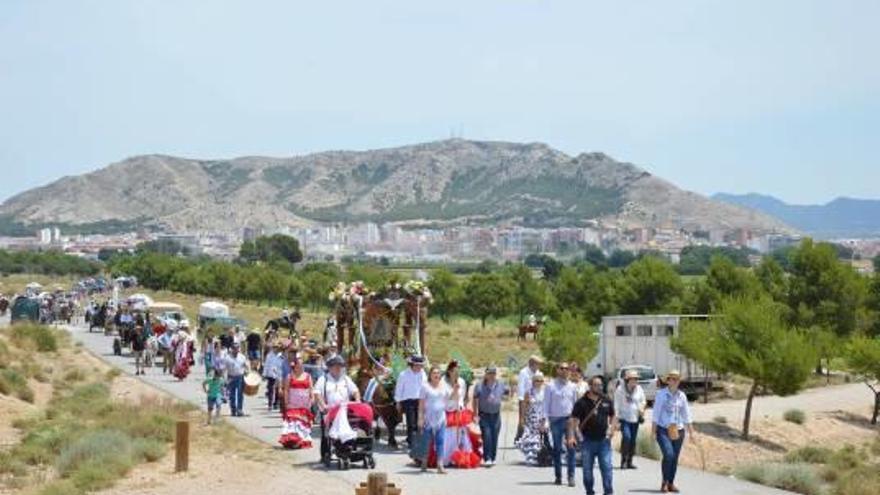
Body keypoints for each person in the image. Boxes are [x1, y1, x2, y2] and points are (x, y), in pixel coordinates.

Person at [569, 376, 616, 495]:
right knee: (587, 472)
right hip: (587, 442)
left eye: (600, 385)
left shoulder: (606, 400)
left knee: (607, 468)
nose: (599, 387)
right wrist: (572, 436)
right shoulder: (581, 402)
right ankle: (589, 491)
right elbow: (573, 420)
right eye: (596, 385)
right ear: (590, 386)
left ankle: (608, 492)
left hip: (603, 442)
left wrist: (612, 429)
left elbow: (614, 416)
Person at [652, 370, 695, 494]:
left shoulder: (682, 396)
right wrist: (653, 431)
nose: (674, 381)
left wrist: (691, 432)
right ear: (668, 381)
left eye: (677, 379)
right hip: (663, 429)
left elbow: (687, 415)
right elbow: (656, 414)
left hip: (678, 430)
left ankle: (671, 483)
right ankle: (664, 482)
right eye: (672, 379)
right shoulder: (661, 394)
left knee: (674, 458)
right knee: (669, 455)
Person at [314, 355, 360, 460]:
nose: (338, 368)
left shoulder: (346, 379)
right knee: (325, 434)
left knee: (350, 428)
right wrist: (323, 405)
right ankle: (325, 454)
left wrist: (357, 400)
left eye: (340, 366)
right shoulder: (323, 379)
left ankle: (347, 448)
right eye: (336, 366)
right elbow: (317, 393)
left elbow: (355, 390)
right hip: (329, 411)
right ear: (330, 367)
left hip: (344, 410)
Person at [544, 362, 579, 487]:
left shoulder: (573, 386)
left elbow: (576, 405)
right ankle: (558, 476)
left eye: (567, 368)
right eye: (562, 368)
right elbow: (546, 405)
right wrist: (546, 421)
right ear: (557, 370)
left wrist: (577, 422)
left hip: (569, 420)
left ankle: (571, 476)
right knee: (557, 449)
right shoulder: (550, 386)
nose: (564, 370)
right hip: (555, 420)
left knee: (571, 448)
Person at [418, 365, 455, 474]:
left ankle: (440, 465)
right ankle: (424, 462)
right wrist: (420, 418)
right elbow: (421, 404)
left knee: (440, 441)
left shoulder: (444, 386)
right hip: (428, 418)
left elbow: (451, 398)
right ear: (430, 375)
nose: (436, 375)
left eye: (438, 373)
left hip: (441, 418)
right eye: (434, 373)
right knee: (426, 441)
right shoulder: (425, 387)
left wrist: (456, 390)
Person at [473, 365, 507, 467]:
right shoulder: (479, 385)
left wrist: (509, 391)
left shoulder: (500, 384)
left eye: (493, 373)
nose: (492, 375)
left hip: (496, 414)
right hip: (484, 414)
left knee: (494, 436)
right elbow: (475, 399)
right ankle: (487, 458)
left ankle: (493, 457)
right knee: (486, 436)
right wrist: (475, 414)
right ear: (486, 374)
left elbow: (506, 393)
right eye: (490, 373)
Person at [279, 352, 314, 449]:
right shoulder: (289, 376)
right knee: (293, 423)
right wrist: (286, 402)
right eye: (299, 365)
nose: (301, 367)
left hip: (304, 405)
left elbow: (311, 389)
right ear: (295, 366)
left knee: (302, 423)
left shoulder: (308, 376)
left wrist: (312, 399)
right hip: (293, 404)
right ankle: (293, 441)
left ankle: (301, 440)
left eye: (302, 365)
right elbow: (286, 390)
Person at [614, 369, 647, 469]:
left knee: (633, 440)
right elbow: (616, 405)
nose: (635, 381)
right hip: (624, 418)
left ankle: (630, 461)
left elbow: (643, 401)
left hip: (635, 418)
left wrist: (642, 408)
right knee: (627, 437)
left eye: (636, 379)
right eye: (633, 379)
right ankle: (623, 461)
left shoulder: (639, 389)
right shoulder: (620, 390)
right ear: (627, 380)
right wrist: (616, 419)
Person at [395, 355, 427, 447]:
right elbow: (399, 389)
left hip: (420, 400)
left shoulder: (423, 374)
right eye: (417, 365)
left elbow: (425, 387)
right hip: (408, 401)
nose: (419, 367)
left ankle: (414, 439)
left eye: (420, 365)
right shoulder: (403, 374)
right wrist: (398, 401)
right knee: (411, 422)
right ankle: (412, 442)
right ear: (412, 364)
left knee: (419, 422)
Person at [516, 371, 546, 465]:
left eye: (541, 380)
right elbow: (524, 406)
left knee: (541, 439)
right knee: (531, 438)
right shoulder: (528, 392)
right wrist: (522, 419)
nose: (539, 382)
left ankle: (541, 457)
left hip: (541, 417)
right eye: (537, 380)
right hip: (531, 418)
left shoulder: (545, 392)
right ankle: (531, 457)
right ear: (533, 381)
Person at [516, 355, 543, 441]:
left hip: (536, 399)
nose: (539, 366)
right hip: (525, 399)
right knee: (523, 419)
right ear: (532, 363)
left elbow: (541, 385)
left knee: (535, 419)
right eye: (538, 364)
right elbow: (521, 387)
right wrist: (522, 400)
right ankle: (519, 436)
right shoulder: (523, 372)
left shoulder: (539, 373)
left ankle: (533, 437)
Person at [224, 342, 250, 417]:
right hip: (231, 377)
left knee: (240, 394)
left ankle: (239, 409)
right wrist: (225, 379)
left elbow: (246, 366)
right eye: (234, 348)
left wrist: (247, 371)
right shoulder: (227, 358)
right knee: (232, 394)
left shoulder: (242, 357)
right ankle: (233, 410)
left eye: (237, 348)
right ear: (231, 349)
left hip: (240, 377)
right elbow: (224, 369)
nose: (236, 350)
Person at [263, 341, 285, 410]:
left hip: (279, 375)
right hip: (271, 375)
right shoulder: (269, 355)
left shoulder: (281, 356)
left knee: (278, 389)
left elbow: (282, 365)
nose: (275, 349)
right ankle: (270, 404)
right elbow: (266, 365)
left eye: (277, 347)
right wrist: (264, 374)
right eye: (274, 347)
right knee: (270, 389)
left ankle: (276, 402)